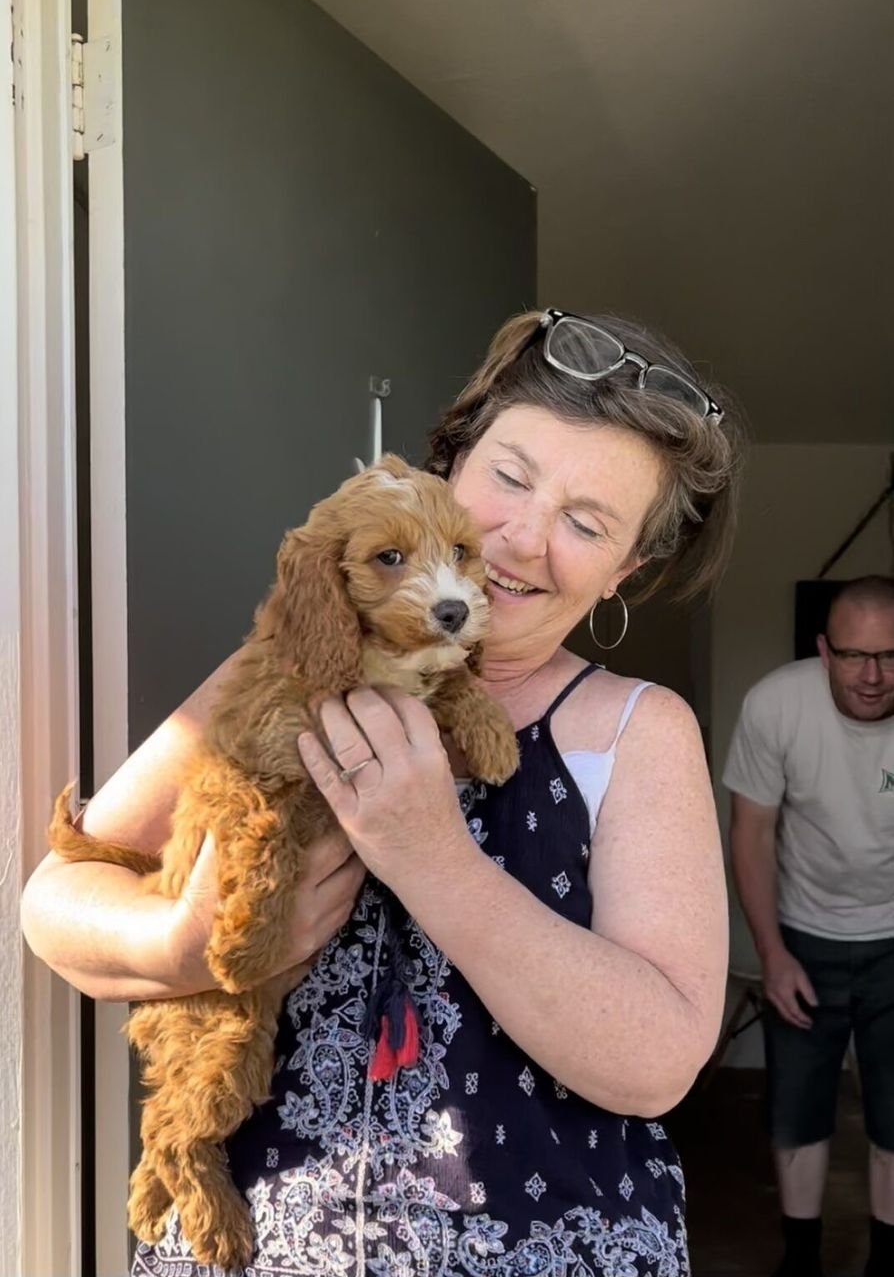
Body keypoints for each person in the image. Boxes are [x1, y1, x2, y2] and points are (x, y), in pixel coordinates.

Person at [22, 307, 742, 1276]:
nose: (522, 538)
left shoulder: (635, 730)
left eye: (586, 522)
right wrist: (184, 942)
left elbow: (655, 1061)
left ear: (628, 571)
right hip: (254, 1247)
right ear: (448, 467)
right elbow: (58, 897)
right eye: (511, 478)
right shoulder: (282, 667)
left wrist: (431, 854)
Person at [725, 575, 894, 1277]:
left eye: (890, 656)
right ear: (824, 651)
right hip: (803, 934)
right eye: (854, 656)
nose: (873, 676)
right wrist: (772, 952)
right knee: (797, 1114)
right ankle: (802, 1256)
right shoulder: (775, 705)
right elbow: (752, 832)